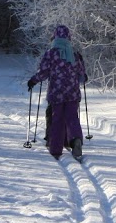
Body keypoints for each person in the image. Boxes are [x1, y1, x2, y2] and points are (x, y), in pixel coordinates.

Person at [27, 24, 87, 161]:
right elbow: (82, 75)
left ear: (55, 36)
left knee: (57, 119)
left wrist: (33, 81)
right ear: (68, 37)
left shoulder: (51, 53)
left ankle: (55, 149)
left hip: (56, 93)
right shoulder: (75, 54)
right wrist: (82, 77)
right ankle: (76, 139)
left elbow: (43, 72)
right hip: (73, 92)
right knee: (72, 117)